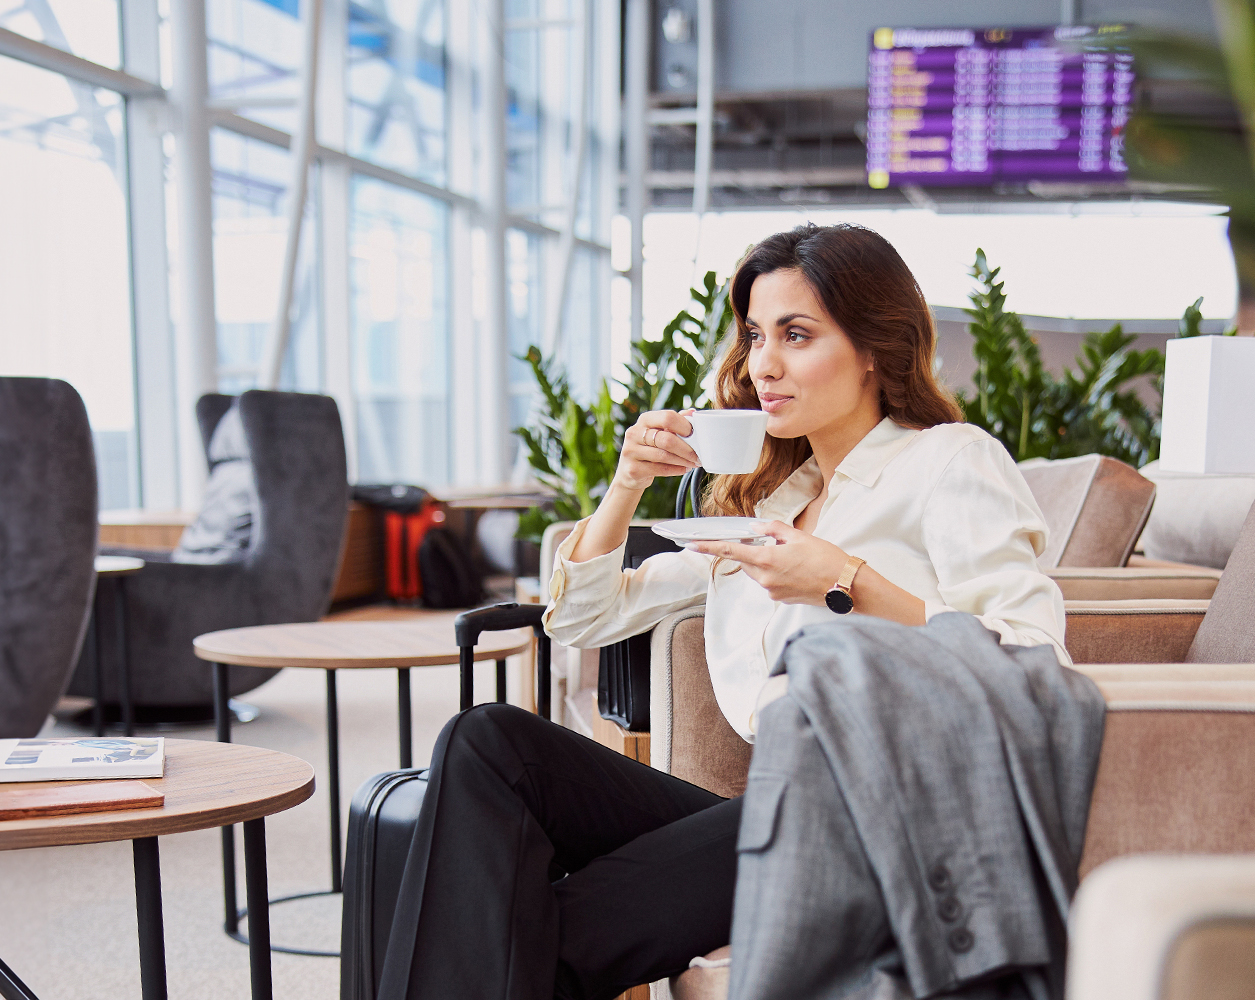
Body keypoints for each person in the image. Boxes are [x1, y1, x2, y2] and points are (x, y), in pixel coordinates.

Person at [375, 223, 1068, 1000]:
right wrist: (627, 482)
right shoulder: (776, 507)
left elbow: (1034, 666)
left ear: (875, 346)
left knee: (523, 930)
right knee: (488, 739)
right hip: (778, 805)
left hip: (880, 815)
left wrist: (844, 579)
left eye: (796, 335)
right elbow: (584, 619)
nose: (763, 365)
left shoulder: (950, 461)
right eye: (755, 336)